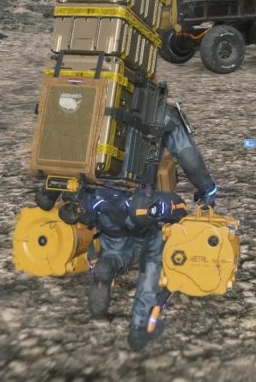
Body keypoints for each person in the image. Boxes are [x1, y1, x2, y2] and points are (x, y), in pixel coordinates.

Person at [36, 101, 218, 351]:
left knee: (114, 248)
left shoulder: (83, 104)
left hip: (96, 205)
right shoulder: (159, 110)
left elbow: (57, 160)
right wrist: (208, 190)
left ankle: (107, 270)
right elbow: (188, 157)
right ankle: (147, 312)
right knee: (172, 221)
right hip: (140, 206)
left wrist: (51, 192)